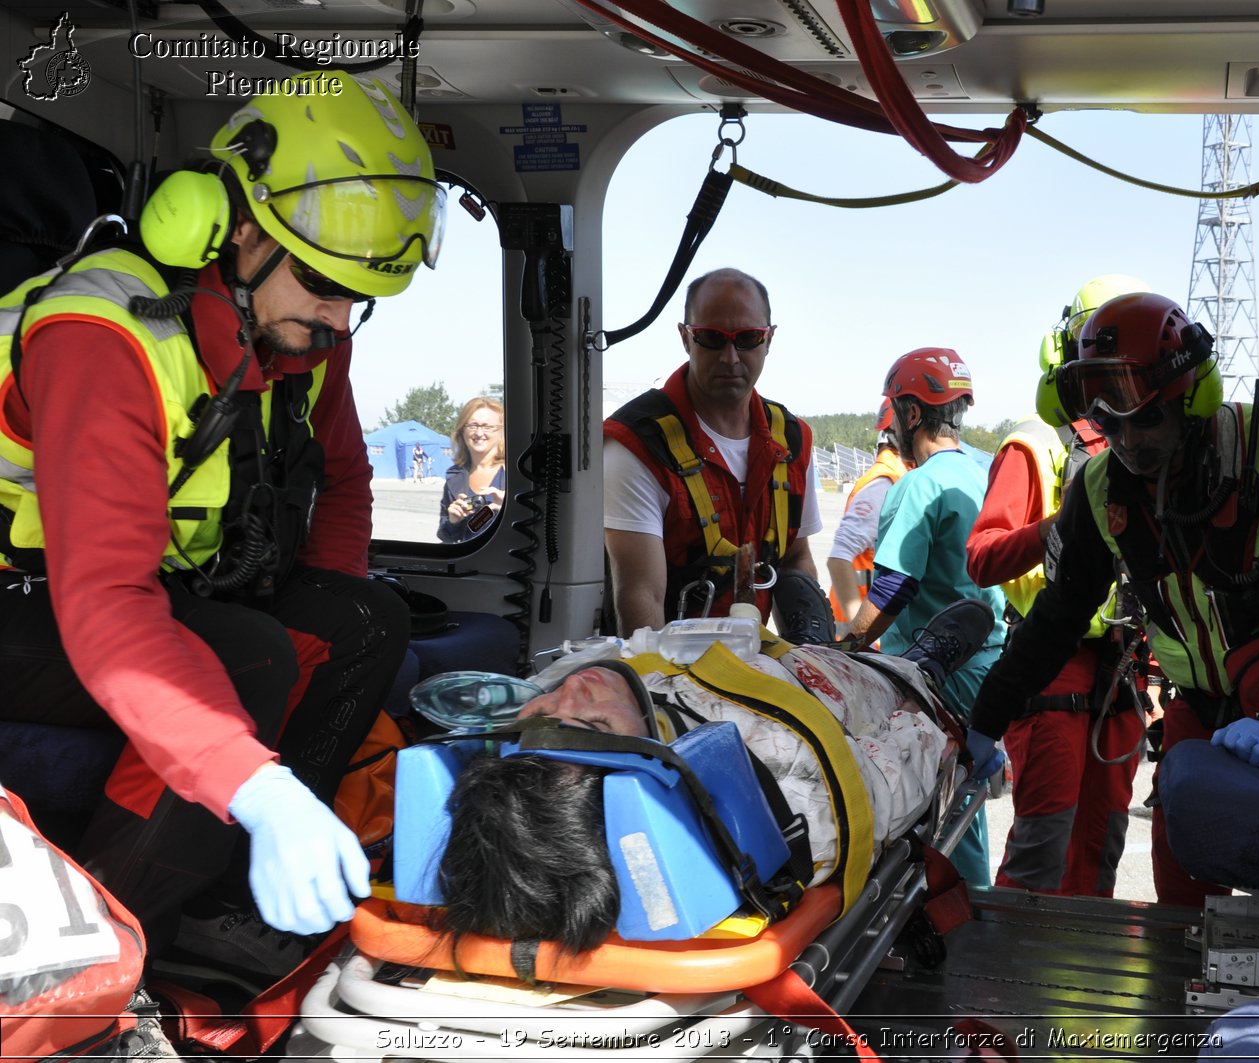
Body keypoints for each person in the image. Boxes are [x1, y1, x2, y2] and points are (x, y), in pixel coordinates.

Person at [0, 70, 444, 989]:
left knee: (365, 620)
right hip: (28, 591)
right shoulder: (104, 334)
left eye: (359, 297)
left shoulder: (303, 334)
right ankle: (92, 963)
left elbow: (345, 482)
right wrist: (256, 781)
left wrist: (323, 602)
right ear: (239, 232)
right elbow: (108, 599)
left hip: (115, 591)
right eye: (324, 282)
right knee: (248, 657)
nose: (338, 317)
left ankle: (229, 904)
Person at [965, 293, 1259, 906]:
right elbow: (1058, 615)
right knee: (1179, 884)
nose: (1128, 442)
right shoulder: (1101, 489)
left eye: (1145, 419)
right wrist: (985, 719)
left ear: (1190, 397)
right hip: (1202, 707)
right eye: (1110, 425)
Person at [437, 600, 994, 952]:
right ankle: (923, 663)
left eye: (542, 716)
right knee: (898, 686)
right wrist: (940, 722)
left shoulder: (569, 724)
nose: (571, 691)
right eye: (589, 722)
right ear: (646, 779)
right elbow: (906, 756)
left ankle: (818, 638)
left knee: (802, 650)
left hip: (749, 667)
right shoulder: (795, 800)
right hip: (835, 703)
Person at [965, 276, 1150, 897]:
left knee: (1102, 850)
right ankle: (1011, 987)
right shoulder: (1036, 445)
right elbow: (983, 559)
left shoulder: (1145, 443)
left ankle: (1083, 986)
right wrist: (1067, 526)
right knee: (1042, 855)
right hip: (1052, 676)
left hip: (1122, 675)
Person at [844, 347, 1007, 886]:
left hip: (940, 677)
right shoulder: (988, 471)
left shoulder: (919, 485)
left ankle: (939, 924)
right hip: (991, 668)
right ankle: (972, 907)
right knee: (964, 808)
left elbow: (892, 585)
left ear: (911, 414)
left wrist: (847, 645)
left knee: (918, 811)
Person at [603, 268, 823, 633]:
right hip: (671, 663)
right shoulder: (638, 445)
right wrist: (662, 686)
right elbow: (642, 594)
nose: (731, 358)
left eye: (748, 338)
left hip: (755, 656)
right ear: (685, 338)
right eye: (711, 338)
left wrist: (811, 660)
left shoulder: (792, 439)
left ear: (769, 339)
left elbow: (796, 560)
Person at [826, 399, 906, 624]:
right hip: (862, 636)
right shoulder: (883, 484)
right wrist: (858, 634)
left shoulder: (897, 479)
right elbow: (838, 557)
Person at [438, 397, 506, 543]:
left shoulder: (516, 473)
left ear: (501, 431)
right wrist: (453, 522)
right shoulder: (454, 477)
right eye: (472, 426)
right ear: (462, 431)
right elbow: (446, 537)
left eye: (487, 427)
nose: (479, 433)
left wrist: (508, 509)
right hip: (469, 563)